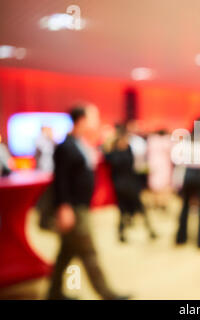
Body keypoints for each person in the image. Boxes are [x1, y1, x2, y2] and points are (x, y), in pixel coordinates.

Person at [47, 104, 128, 300]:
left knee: (66, 253)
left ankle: (54, 293)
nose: (96, 122)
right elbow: (61, 180)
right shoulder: (65, 147)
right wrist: (64, 206)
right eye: (93, 117)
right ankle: (107, 294)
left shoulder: (80, 143)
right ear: (81, 120)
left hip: (81, 205)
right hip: (74, 208)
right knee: (88, 252)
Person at [105, 126, 156, 243]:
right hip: (121, 186)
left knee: (141, 209)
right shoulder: (114, 153)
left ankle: (150, 231)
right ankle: (122, 233)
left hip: (132, 184)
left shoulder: (128, 150)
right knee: (123, 212)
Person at [174, 118, 200, 249]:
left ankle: (181, 237)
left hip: (187, 174)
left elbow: (177, 157)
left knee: (185, 207)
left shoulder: (186, 140)